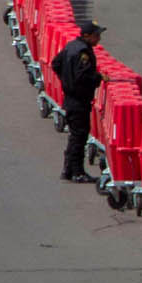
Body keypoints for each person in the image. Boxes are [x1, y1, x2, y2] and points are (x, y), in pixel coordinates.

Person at [53, 22, 104, 182]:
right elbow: (83, 77)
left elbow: (56, 64)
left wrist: (65, 81)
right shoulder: (83, 52)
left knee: (75, 135)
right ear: (86, 36)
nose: (99, 38)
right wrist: (98, 77)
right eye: (96, 35)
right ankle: (77, 172)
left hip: (71, 98)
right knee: (79, 136)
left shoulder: (71, 46)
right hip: (79, 99)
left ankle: (68, 170)